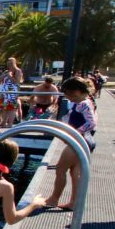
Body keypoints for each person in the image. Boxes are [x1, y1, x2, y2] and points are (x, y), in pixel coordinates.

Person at [44, 76, 97, 210]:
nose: (68, 98)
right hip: (85, 140)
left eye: (69, 95)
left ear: (77, 92)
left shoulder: (83, 104)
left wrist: (75, 133)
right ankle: (75, 202)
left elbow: (91, 123)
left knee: (60, 169)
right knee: (75, 172)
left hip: (80, 140)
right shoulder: (85, 102)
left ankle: (54, 199)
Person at [0, 58, 24, 128]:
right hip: (4, 92)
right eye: (8, 64)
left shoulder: (18, 71)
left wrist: (9, 76)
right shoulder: (6, 71)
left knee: (11, 108)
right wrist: (3, 76)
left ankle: (10, 124)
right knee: (4, 107)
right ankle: (3, 122)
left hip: (12, 92)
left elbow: (17, 82)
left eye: (11, 63)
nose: (9, 65)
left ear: (15, 63)